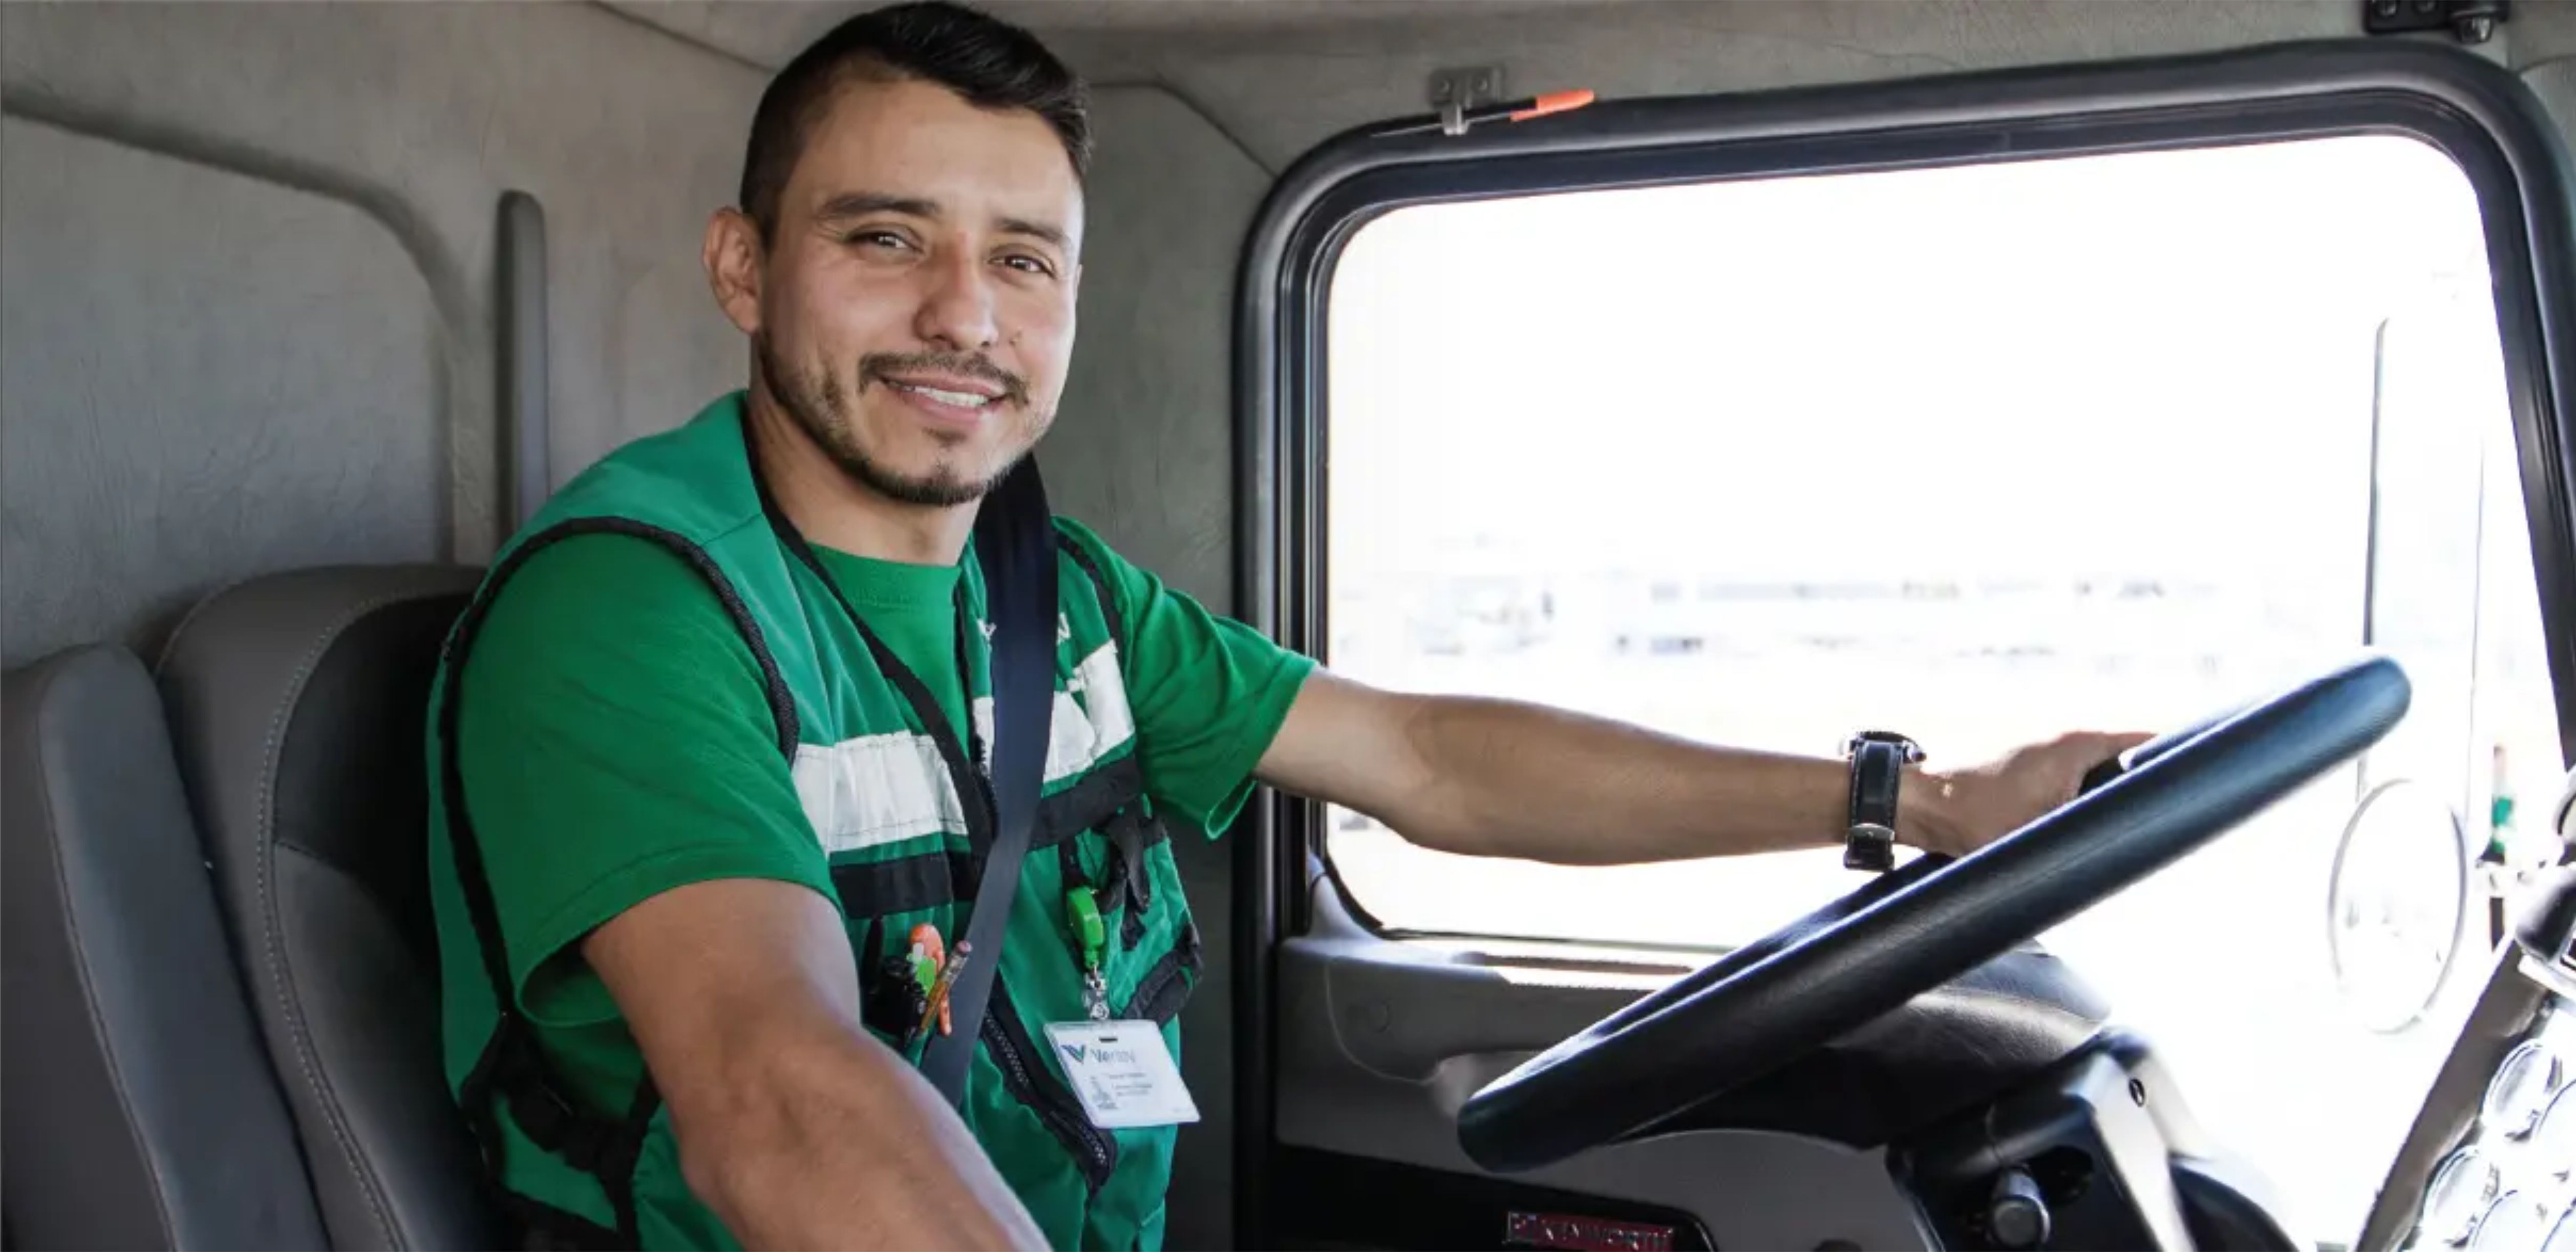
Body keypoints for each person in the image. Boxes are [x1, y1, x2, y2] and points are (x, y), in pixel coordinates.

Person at [423, 4, 2146, 1249]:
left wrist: (1913, 802)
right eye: (886, 240)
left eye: (1023, 260)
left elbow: (1424, 760)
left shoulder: (1053, 595)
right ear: (744, 268)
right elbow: (777, 1094)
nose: (964, 316)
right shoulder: (630, 609)